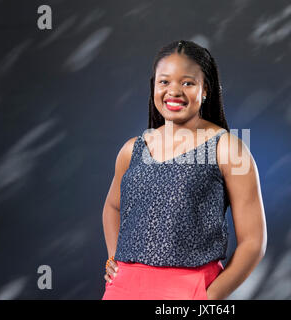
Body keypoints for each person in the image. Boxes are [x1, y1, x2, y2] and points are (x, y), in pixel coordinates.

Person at [101, 40, 267, 300]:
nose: (174, 91)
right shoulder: (132, 149)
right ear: (154, 87)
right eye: (164, 82)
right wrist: (114, 257)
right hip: (123, 289)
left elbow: (253, 242)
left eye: (187, 82)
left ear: (205, 90)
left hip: (189, 292)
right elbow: (112, 207)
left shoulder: (226, 148)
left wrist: (209, 297)